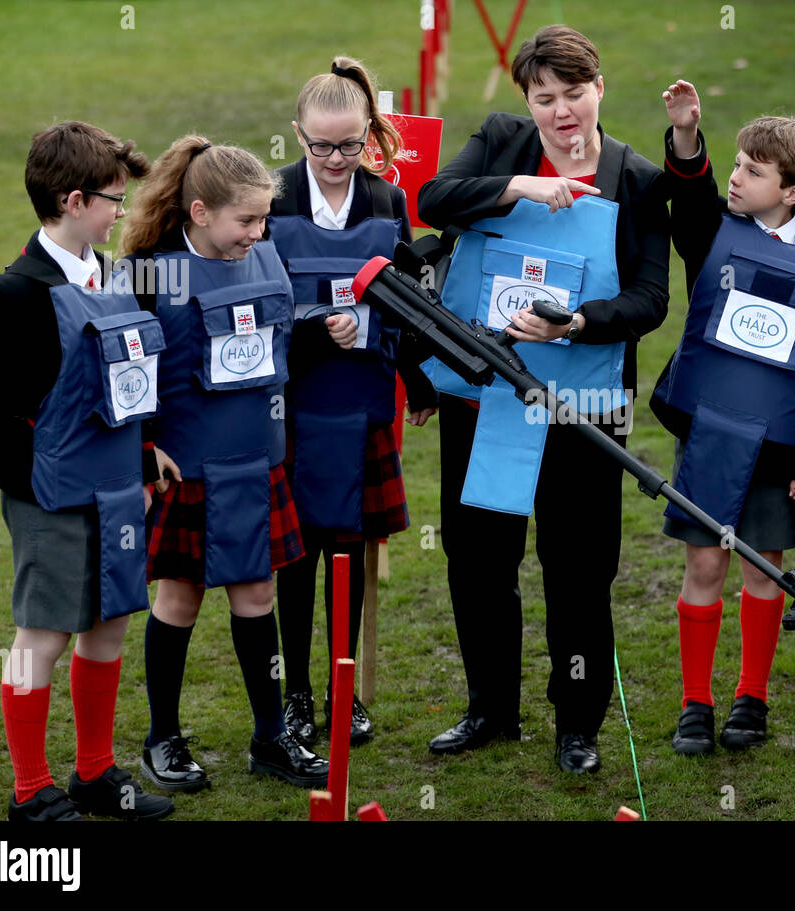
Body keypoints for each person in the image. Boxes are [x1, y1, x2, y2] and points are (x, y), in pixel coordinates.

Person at [416, 24, 670, 773]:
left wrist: (580, 321)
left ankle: (578, 723)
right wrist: (520, 185)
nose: (560, 112)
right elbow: (433, 200)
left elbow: (651, 299)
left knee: (579, 567)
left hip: (583, 407)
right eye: (543, 98)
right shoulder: (500, 141)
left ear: (600, 88)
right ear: (526, 100)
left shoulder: (637, 179)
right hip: (488, 395)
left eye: (573, 94)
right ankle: (490, 708)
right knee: (479, 558)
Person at [0, 121, 173, 820]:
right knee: (43, 636)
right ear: (74, 201)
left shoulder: (120, 278)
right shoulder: (11, 294)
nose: (122, 212)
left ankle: (96, 773)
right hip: (47, 492)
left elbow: (124, 385)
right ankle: (29, 791)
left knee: (107, 626)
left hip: (116, 488)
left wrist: (143, 455)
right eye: (113, 199)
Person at [119, 136, 351, 791]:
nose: (258, 231)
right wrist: (139, 454)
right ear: (198, 212)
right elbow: (118, 369)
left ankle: (271, 737)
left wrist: (314, 323)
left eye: (262, 218)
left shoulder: (266, 255)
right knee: (179, 598)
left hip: (258, 460)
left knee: (256, 595)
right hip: (184, 468)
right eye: (245, 220)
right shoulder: (146, 274)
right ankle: (162, 736)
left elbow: (264, 329)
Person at [652, 81, 795, 754]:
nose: (737, 178)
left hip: (776, 449)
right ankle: (695, 703)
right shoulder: (713, 231)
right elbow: (690, 200)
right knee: (704, 567)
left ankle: (751, 697)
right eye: (735, 165)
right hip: (709, 435)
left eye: (753, 171)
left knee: (762, 570)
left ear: (792, 192)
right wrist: (685, 135)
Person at [267, 55, 439, 748]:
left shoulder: (386, 199)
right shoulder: (271, 198)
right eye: (321, 145)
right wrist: (313, 326)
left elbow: (401, 303)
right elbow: (250, 307)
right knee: (297, 553)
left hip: (365, 397)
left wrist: (418, 377)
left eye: (350, 144)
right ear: (297, 134)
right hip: (292, 403)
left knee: (348, 546)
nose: (336, 159)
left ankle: (344, 690)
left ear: (369, 132)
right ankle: (298, 697)